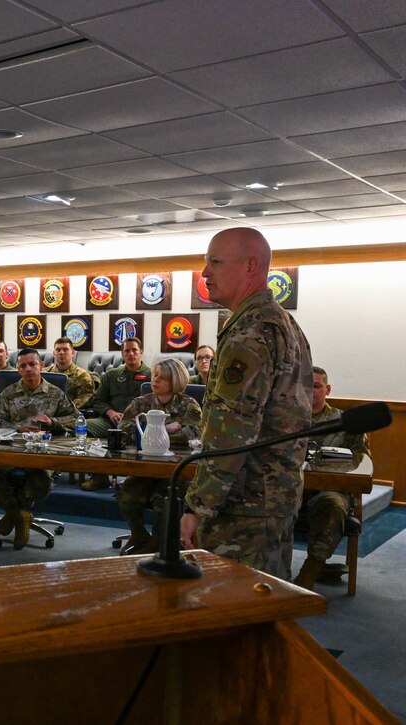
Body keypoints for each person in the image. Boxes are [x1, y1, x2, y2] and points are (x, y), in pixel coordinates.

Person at [181, 227, 312, 578]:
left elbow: (231, 433)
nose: (205, 273)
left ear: (251, 265)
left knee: (232, 610)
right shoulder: (281, 322)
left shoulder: (250, 332)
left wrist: (199, 506)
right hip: (273, 496)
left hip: (244, 505)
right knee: (265, 599)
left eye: (216, 262)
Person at [0, 348, 78, 549]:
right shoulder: (8, 393)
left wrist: (52, 421)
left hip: (43, 449)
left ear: (41, 366)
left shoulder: (54, 393)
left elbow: (77, 419)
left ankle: (16, 514)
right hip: (11, 448)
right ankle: (18, 513)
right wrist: (16, 427)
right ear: (17, 369)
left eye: (33, 364)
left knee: (42, 476)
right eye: (23, 366)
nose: (29, 369)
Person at [293, 366, 371, 590]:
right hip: (291, 489)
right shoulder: (289, 420)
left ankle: (311, 569)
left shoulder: (345, 423)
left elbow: (363, 462)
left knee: (332, 504)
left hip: (329, 491)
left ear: (327, 389)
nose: (311, 391)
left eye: (316, 386)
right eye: (307, 386)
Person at [115, 358, 203, 555]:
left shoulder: (189, 405)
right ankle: (139, 535)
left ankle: (158, 541)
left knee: (163, 499)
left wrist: (173, 431)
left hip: (175, 469)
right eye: (155, 375)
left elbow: (198, 433)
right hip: (146, 467)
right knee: (127, 494)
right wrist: (158, 429)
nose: (155, 380)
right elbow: (125, 428)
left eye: (162, 378)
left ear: (175, 381)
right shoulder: (141, 403)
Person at [82, 337, 152, 490]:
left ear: (141, 352)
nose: (131, 354)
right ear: (122, 353)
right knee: (83, 428)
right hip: (111, 422)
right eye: (127, 351)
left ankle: (138, 480)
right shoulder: (111, 375)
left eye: (134, 350)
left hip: (139, 425)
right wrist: (110, 412)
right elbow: (98, 400)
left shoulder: (152, 376)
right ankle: (99, 476)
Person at [44, 336, 95, 410]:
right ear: (54, 353)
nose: (61, 353)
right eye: (58, 350)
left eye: (65, 350)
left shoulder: (82, 375)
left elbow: (84, 400)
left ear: (73, 353)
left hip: (68, 414)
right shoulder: (45, 373)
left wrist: (61, 409)